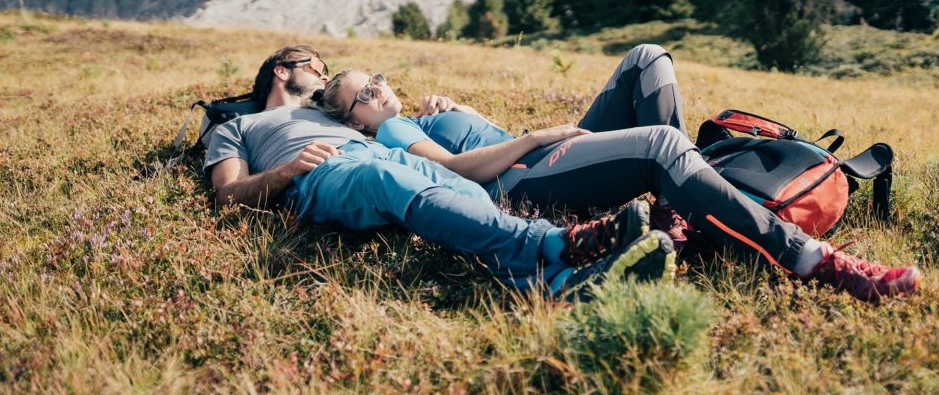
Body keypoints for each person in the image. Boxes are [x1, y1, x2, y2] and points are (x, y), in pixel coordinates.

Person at [318, 45, 922, 305]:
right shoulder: (389, 134)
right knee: (661, 143)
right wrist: (534, 135)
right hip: (523, 182)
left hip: (536, 160)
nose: (377, 90)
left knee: (646, 61)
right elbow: (456, 174)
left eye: (375, 78)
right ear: (354, 120)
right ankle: (815, 260)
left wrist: (466, 114)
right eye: (362, 96)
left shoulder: (418, 116)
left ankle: (683, 211)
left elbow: (469, 141)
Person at [203, 44, 675, 300]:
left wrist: (447, 109)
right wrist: (285, 171)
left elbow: (394, 124)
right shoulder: (240, 126)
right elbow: (227, 196)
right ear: (283, 71)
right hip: (326, 172)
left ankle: (554, 283)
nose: (325, 80)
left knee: (461, 193)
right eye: (317, 69)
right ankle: (554, 243)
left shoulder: (337, 113)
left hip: (384, 158)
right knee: (382, 182)